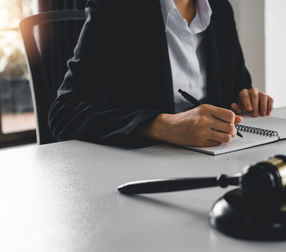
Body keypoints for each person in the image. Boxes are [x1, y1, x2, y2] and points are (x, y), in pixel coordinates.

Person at [48, 0, 273, 148]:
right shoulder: (116, 7)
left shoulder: (220, 8)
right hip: (141, 169)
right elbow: (64, 113)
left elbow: (237, 87)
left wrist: (246, 98)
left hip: (216, 163)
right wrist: (161, 126)